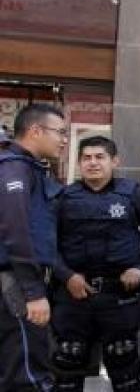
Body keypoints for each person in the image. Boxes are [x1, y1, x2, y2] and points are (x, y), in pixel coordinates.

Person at [51, 136, 140, 391]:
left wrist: (139, 267)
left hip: (119, 297)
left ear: (115, 161)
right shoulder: (62, 197)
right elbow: (46, 245)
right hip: (73, 297)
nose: (92, 163)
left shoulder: (131, 193)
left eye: (99, 157)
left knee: (124, 365)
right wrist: (66, 275)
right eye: (86, 158)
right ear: (79, 163)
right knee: (68, 363)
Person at [0, 104, 65, 391]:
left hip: (18, 283)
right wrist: (33, 292)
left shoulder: (28, 169)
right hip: (16, 285)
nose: (64, 139)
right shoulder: (14, 168)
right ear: (36, 131)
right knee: (27, 376)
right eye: (60, 132)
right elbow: (16, 230)